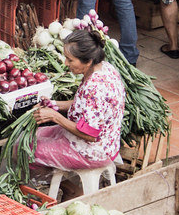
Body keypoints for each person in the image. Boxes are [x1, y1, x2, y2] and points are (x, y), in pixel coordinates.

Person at [31, 29, 125, 172]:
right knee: (30, 137)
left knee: (26, 149)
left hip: (91, 151)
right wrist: (54, 104)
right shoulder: (105, 68)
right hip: (103, 144)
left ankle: (48, 188)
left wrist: (54, 117)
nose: (66, 63)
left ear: (88, 61)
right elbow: (84, 104)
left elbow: (90, 135)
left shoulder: (94, 87)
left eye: (70, 60)